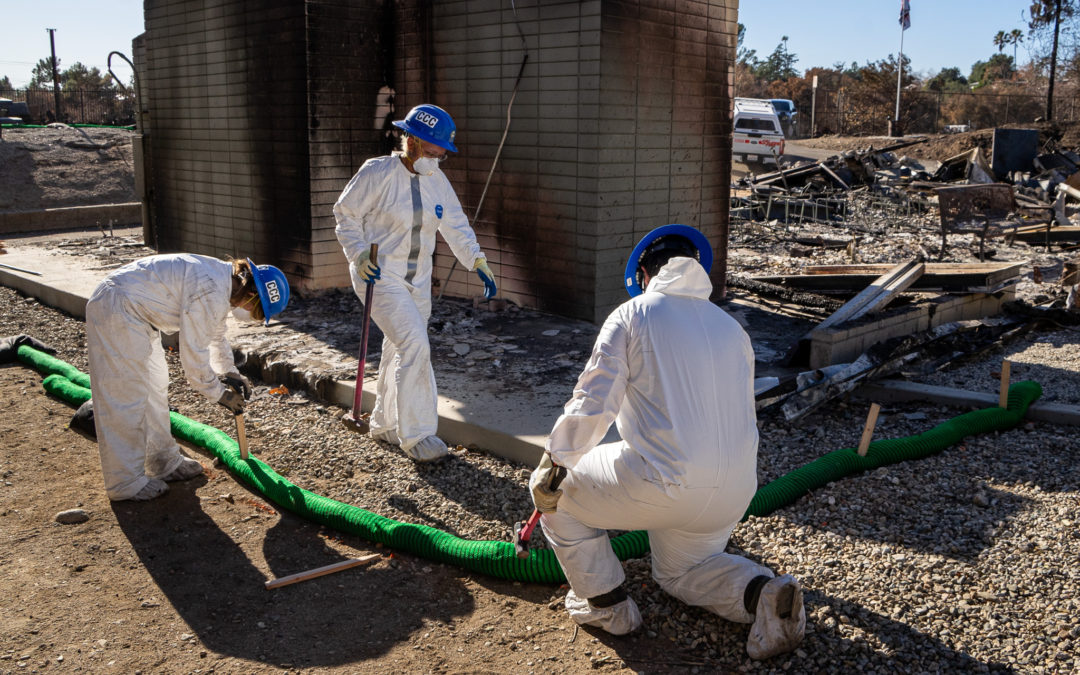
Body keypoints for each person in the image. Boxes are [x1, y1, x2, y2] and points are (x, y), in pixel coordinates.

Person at [529, 225, 806, 660]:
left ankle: (606, 607)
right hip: (735, 491)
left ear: (644, 273)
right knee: (682, 572)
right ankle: (761, 595)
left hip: (666, 482)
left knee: (558, 498)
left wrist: (554, 462)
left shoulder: (634, 313)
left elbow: (594, 400)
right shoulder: (733, 328)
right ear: (697, 270)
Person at [334, 103, 497, 463]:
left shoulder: (437, 180)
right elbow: (345, 214)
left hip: (418, 282)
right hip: (378, 275)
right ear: (412, 140)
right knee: (414, 346)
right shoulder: (377, 172)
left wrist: (477, 261)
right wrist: (359, 254)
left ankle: (385, 423)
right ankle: (418, 434)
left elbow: (455, 224)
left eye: (442, 152)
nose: (439, 157)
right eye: (434, 148)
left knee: (398, 350)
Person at [85, 253, 290, 501]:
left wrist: (229, 372)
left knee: (155, 385)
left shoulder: (222, 283)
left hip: (136, 314)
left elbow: (214, 335)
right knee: (126, 395)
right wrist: (220, 394)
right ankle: (125, 482)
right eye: (256, 311)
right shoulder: (211, 290)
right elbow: (194, 356)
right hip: (118, 309)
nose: (251, 316)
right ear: (251, 296)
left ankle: (162, 462)